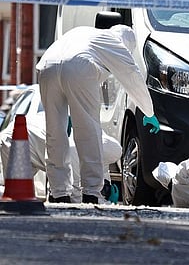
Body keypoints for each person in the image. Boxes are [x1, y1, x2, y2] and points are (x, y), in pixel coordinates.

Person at [36, 25, 160, 204]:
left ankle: (58, 192)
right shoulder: (116, 44)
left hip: (47, 66)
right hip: (79, 66)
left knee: (54, 133)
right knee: (89, 132)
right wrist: (149, 111)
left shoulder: (88, 34)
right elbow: (132, 76)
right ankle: (91, 192)